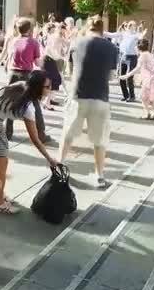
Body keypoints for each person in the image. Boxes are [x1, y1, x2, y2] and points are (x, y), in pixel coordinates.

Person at [0, 70, 59, 214]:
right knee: (2, 163)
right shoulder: (28, 108)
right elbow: (35, 139)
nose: (50, 89)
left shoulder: (20, 85)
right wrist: (49, 158)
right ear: (37, 88)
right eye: (47, 87)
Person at [60, 16, 118, 187]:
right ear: (102, 29)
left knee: (67, 135)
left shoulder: (76, 43)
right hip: (100, 97)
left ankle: (59, 167)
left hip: (78, 95)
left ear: (87, 27)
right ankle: (99, 175)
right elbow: (111, 76)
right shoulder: (111, 47)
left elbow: (69, 71)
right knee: (100, 140)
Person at [4, 18, 49, 142]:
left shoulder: (13, 41)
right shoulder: (33, 42)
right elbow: (37, 62)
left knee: (11, 103)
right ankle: (41, 134)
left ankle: (8, 133)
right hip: (26, 74)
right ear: (29, 29)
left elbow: (9, 57)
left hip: (13, 74)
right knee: (35, 103)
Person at [119, 39, 154, 120]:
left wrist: (127, 75)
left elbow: (137, 68)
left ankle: (147, 113)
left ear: (139, 47)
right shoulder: (148, 54)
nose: (135, 47)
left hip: (151, 79)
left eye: (136, 46)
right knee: (150, 97)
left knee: (143, 97)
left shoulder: (143, 56)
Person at [105, 21, 147, 102]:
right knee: (121, 78)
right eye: (130, 25)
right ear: (128, 26)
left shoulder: (136, 34)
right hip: (123, 57)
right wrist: (102, 32)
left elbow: (141, 37)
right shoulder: (123, 33)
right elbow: (111, 34)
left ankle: (132, 96)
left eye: (133, 25)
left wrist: (143, 34)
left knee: (129, 78)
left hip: (132, 57)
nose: (131, 26)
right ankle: (126, 95)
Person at [42, 23, 67, 109]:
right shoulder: (53, 37)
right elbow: (50, 49)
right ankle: (46, 102)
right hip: (49, 59)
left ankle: (47, 102)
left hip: (49, 59)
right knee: (55, 80)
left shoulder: (52, 36)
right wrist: (60, 57)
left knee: (53, 80)